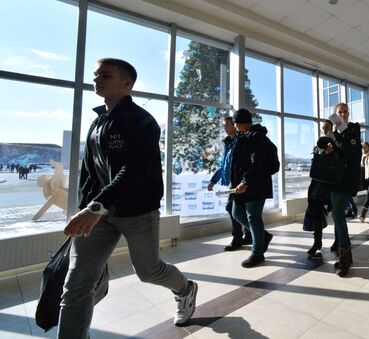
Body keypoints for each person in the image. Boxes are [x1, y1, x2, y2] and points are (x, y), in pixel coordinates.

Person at [59, 58, 197, 338]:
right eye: (96, 75)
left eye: (105, 75)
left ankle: (185, 288)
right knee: (76, 283)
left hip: (136, 212)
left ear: (127, 84)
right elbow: (89, 171)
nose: (96, 80)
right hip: (99, 213)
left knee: (148, 271)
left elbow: (133, 170)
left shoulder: (142, 122)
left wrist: (95, 207)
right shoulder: (98, 121)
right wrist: (86, 208)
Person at [230, 108, 275, 268]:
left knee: (253, 217)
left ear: (240, 123)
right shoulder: (244, 137)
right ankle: (263, 236)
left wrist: (245, 181)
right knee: (236, 212)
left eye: (235, 123)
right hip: (243, 184)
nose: (234, 126)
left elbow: (257, 164)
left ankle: (258, 254)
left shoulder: (257, 137)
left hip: (255, 185)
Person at [207, 116, 252, 251]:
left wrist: (244, 180)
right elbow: (224, 165)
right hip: (233, 181)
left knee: (231, 208)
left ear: (234, 125)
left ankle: (238, 238)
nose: (225, 128)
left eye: (227, 125)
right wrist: (213, 181)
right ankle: (249, 234)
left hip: (240, 181)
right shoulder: (228, 143)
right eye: (224, 126)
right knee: (238, 210)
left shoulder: (240, 141)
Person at [327, 102, 362, 277]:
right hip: (333, 179)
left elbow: (350, 152)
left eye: (346, 112)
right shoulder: (331, 133)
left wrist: (336, 134)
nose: (343, 115)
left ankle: (345, 257)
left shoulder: (354, 129)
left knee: (338, 215)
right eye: (340, 112)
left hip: (346, 180)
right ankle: (344, 252)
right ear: (335, 115)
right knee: (337, 214)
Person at [305, 121, 335, 257]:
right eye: (323, 127)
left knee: (336, 213)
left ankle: (339, 240)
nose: (325, 130)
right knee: (315, 212)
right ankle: (317, 242)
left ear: (332, 128)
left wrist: (329, 154)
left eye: (327, 127)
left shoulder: (335, 143)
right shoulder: (318, 145)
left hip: (331, 184)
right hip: (317, 184)